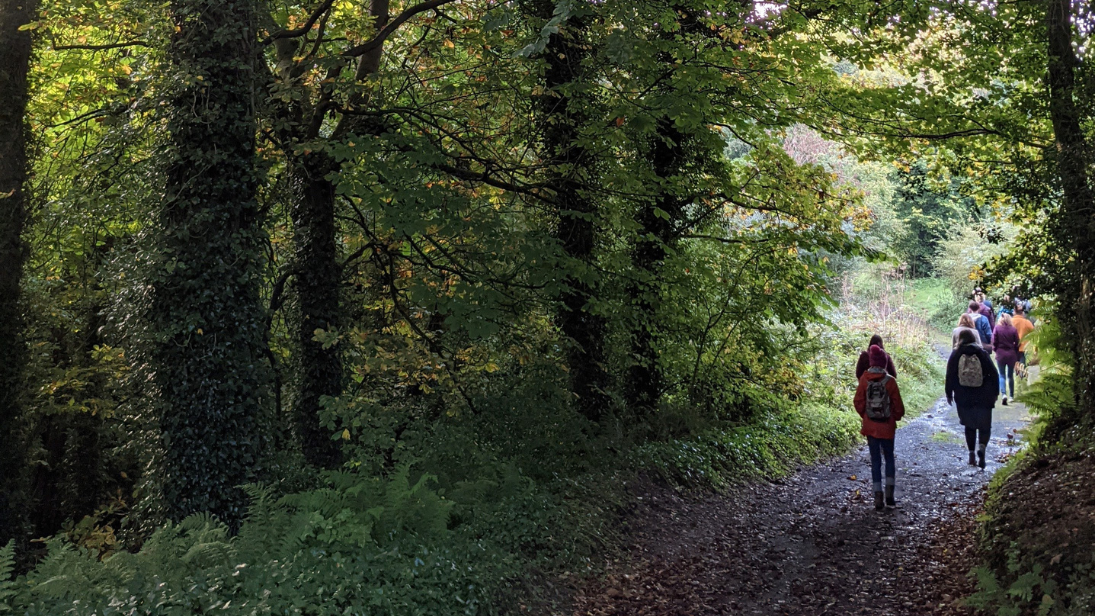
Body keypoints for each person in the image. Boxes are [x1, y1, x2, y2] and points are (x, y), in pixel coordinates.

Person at [854, 345, 906, 510]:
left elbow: (858, 401)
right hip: (887, 426)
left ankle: (878, 495)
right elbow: (898, 406)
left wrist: (866, 416)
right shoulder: (890, 381)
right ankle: (890, 493)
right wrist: (894, 417)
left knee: (875, 460)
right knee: (889, 458)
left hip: (871, 427)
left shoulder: (864, 379)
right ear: (884, 363)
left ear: (871, 362)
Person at [946, 330, 1000, 468]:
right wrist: (995, 392)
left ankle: (971, 455)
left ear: (960, 339)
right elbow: (994, 373)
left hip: (964, 396)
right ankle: (981, 447)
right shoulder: (982, 353)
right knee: (984, 426)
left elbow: (950, 374)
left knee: (969, 426)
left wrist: (949, 393)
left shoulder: (956, 354)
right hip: (984, 396)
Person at [993, 313, 1020, 405]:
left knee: (1001, 375)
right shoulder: (1013, 329)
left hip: (1000, 354)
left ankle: (1004, 394)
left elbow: (994, 341)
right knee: (1010, 375)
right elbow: (1017, 342)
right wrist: (1015, 351)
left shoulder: (997, 328)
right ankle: (1011, 396)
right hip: (1011, 354)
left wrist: (996, 350)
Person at [1013, 305, 1035, 369]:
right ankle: (1021, 377)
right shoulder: (1027, 322)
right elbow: (1034, 333)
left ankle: (1017, 376)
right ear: (1022, 313)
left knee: (1015, 366)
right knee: (1022, 366)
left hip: (1013, 347)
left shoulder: (1010, 322)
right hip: (1024, 348)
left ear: (1014, 312)